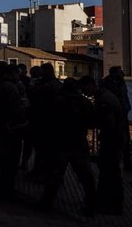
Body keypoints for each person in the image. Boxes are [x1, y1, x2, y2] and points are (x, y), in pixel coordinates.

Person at [37, 78, 97, 216]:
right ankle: (91, 205)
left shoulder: (57, 101)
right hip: (79, 142)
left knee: (55, 175)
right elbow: (93, 122)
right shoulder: (85, 102)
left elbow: (47, 121)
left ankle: (46, 203)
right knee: (86, 176)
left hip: (60, 142)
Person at [79, 75, 125, 214]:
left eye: (84, 89)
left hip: (111, 141)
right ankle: (109, 202)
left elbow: (108, 124)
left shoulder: (104, 101)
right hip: (114, 139)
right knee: (110, 172)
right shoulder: (105, 96)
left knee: (109, 172)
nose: (84, 93)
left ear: (91, 85)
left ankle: (112, 204)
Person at [0, 63, 28, 201]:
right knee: (11, 161)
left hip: (3, 127)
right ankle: (7, 190)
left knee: (6, 159)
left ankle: (4, 187)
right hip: (12, 129)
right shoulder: (10, 87)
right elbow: (16, 109)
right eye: (17, 73)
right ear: (12, 73)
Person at [101, 66, 132, 171]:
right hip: (112, 117)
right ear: (114, 73)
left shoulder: (120, 83)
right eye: (120, 72)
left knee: (125, 140)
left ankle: (127, 164)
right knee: (114, 140)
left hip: (122, 115)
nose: (123, 73)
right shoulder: (107, 84)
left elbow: (124, 97)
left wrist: (127, 108)